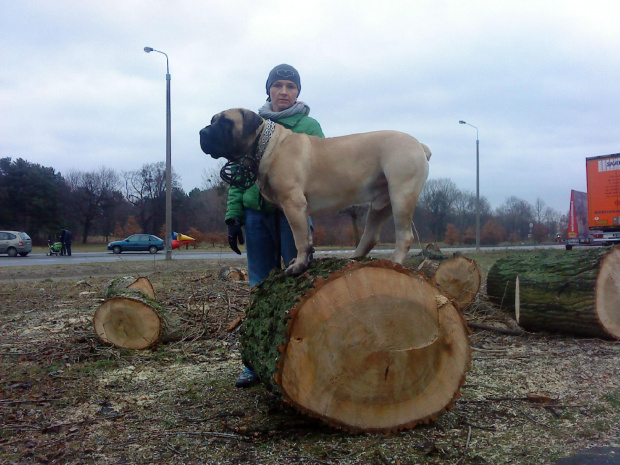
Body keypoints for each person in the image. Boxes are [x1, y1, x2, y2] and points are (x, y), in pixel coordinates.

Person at [225, 64, 324, 388]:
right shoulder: (252, 125)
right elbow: (240, 173)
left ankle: (307, 358)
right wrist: (233, 215)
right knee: (260, 285)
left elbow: (325, 166)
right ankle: (255, 362)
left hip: (290, 215)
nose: (284, 91)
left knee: (300, 284)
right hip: (257, 214)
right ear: (268, 89)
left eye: (290, 86)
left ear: (298, 91)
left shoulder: (308, 125)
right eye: (278, 85)